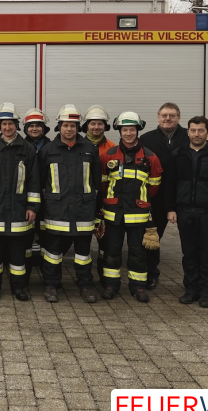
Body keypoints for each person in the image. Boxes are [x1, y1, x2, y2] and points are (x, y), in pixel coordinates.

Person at [166, 116, 208, 308]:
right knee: (189, 253)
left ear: (207, 132)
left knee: (207, 253)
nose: (197, 134)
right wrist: (170, 208)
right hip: (185, 211)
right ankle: (191, 289)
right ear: (188, 132)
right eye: (193, 130)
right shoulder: (178, 154)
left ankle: (207, 290)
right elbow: (170, 184)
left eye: (201, 130)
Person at [0, 102, 41, 301]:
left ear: (16, 125)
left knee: (18, 254)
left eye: (11, 123)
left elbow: (34, 181)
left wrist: (32, 207)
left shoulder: (27, 149)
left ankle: (18, 287)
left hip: (20, 211)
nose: (7, 127)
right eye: (4, 124)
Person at [38, 105, 101, 303]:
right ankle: (51, 285)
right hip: (56, 211)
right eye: (65, 125)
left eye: (73, 126)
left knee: (83, 254)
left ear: (77, 127)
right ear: (59, 127)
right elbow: (40, 183)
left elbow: (96, 182)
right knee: (52, 253)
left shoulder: (90, 150)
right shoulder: (47, 150)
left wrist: (96, 210)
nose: (69, 129)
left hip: (83, 211)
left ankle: (85, 285)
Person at [99, 111, 163, 302]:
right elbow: (102, 184)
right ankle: (111, 285)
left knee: (138, 252)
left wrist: (140, 202)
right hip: (113, 214)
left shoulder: (150, 157)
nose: (128, 133)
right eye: (125, 129)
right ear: (119, 131)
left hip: (138, 214)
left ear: (138, 130)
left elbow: (154, 186)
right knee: (112, 251)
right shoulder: (107, 156)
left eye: (132, 129)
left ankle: (138, 287)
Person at [139, 102, 189, 289]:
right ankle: (151, 274)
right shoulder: (146, 139)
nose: (168, 119)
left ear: (179, 117)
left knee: (190, 241)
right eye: (164, 115)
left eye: (172, 115)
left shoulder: (189, 136)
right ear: (158, 117)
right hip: (156, 198)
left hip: (184, 197)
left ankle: (192, 280)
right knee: (152, 239)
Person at [81, 105, 116, 286]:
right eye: (92, 123)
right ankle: (84, 278)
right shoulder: (78, 145)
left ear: (105, 126)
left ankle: (106, 280)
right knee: (83, 244)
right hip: (84, 203)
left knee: (105, 244)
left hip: (104, 203)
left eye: (100, 124)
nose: (96, 127)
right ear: (86, 125)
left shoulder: (112, 149)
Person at [21, 108, 51, 284]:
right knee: (26, 233)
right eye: (31, 126)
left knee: (46, 234)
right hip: (26, 199)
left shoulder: (52, 146)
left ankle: (46, 269)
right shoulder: (21, 146)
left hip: (48, 200)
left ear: (43, 128)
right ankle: (25, 269)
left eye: (37, 126)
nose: (34, 129)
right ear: (25, 129)